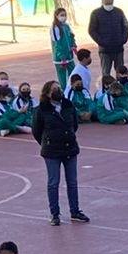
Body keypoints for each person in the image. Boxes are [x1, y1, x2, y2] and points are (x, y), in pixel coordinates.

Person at [30, 79, 88, 226]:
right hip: (52, 151)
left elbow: (74, 125)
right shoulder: (41, 110)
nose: (59, 91)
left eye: (59, 88)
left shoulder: (68, 105)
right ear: (48, 93)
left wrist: (68, 135)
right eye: (55, 89)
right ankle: (54, 214)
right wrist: (47, 142)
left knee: (72, 182)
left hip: (69, 148)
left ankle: (75, 211)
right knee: (53, 182)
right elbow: (36, 131)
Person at [87, 0, 128, 82]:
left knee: (121, 72)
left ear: (113, 1)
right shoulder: (96, 14)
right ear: (102, 2)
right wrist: (102, 42)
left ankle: (122, 90)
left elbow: (126, 26)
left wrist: (123, 40)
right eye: (107, 4)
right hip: (105, 51)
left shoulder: (119, 12)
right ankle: (106, 91)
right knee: (106, 73)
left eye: (110, 3)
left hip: (118, 49)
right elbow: (91, 30)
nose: (109, 5)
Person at [49, 8, 77, 89]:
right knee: (62, 79)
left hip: (69, 57)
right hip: (60, 59)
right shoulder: (55, 28)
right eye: (61, 15)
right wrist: (62, 57)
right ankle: (64, 94)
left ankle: (73, 91)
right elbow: (57, 44)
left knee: (73, 75)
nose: (64, 17)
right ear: (56, 16)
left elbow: (71, 37)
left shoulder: (67, 26)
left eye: (65, 15)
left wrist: (74, 46)